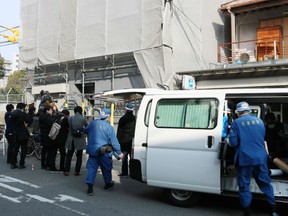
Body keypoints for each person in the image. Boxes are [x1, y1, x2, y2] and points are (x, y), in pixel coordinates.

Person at [229, 101, 279, 216]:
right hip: (261, 158)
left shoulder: (236, 123)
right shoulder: (260, 122)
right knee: (265, 184)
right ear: (248, 110)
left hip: (245, 160)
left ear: (238, 112)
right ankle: (274, 211)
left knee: (244, 185)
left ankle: (247, 212)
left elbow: (233, 142)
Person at [84, 108, 124, 195]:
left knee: (92, 168)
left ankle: (90, 187)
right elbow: (114, 142)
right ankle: (107, 184)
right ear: (108, 117)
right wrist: (119, 153)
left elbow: (85, 131)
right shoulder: (109, 127)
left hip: (93, 150)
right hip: (104, 151)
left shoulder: (93, 123)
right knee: (106, 168)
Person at [64, 106, 88, 176]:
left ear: (74, 111)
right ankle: (77, 171)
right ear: (81, 111)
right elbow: (87, 127)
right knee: (79, 156)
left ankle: (66, 170)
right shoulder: (83, 119)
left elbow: (69, 127)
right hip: (80, 138)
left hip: (71, 138)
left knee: (69, 155)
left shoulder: (70, 118)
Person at [117, 102, 136, 177]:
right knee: (132, 158)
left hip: (124, 141)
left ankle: (124, 172)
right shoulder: (135, 119)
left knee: (124, 157)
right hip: (132, 141)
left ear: (126, 109)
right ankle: (133, 173)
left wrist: (118, 141)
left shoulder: (122, 119)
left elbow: (119, 131)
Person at [10, 103, 30, 169]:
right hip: (23, 134)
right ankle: (21, 164)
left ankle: (13, 163)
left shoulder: (13, 113)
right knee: (23, 150)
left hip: (16, 133)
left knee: (15, 149)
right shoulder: (23, 114)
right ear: (23, 108)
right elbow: (28, 121)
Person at [39, 105, 54, 170]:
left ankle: (43, 164)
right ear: (47, 110)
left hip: (43, 135)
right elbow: (52, 127)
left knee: (44, 151)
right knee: (49, 151)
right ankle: (48, 164)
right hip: (49, 136)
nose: (52, 111)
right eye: (51, 110)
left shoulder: (41, 117)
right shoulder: (50, 118)